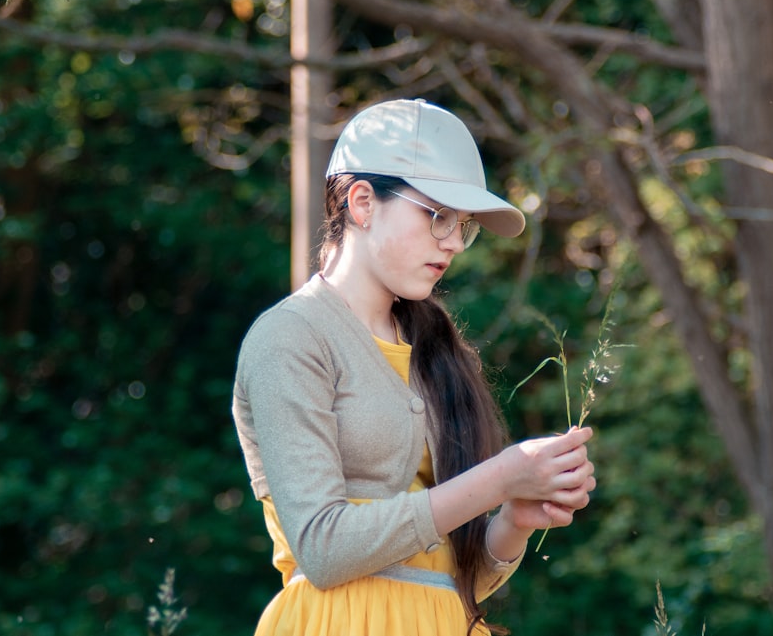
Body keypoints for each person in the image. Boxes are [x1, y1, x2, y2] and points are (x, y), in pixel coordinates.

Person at [232, 98, 596, 636]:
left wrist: (514, 519)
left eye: (463, 226)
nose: (453, 242)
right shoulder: (291, 336)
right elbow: (324, 549)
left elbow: (444, 579)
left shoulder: (437, 349)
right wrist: (500, 476)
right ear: (362, 202)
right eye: (438, 217)